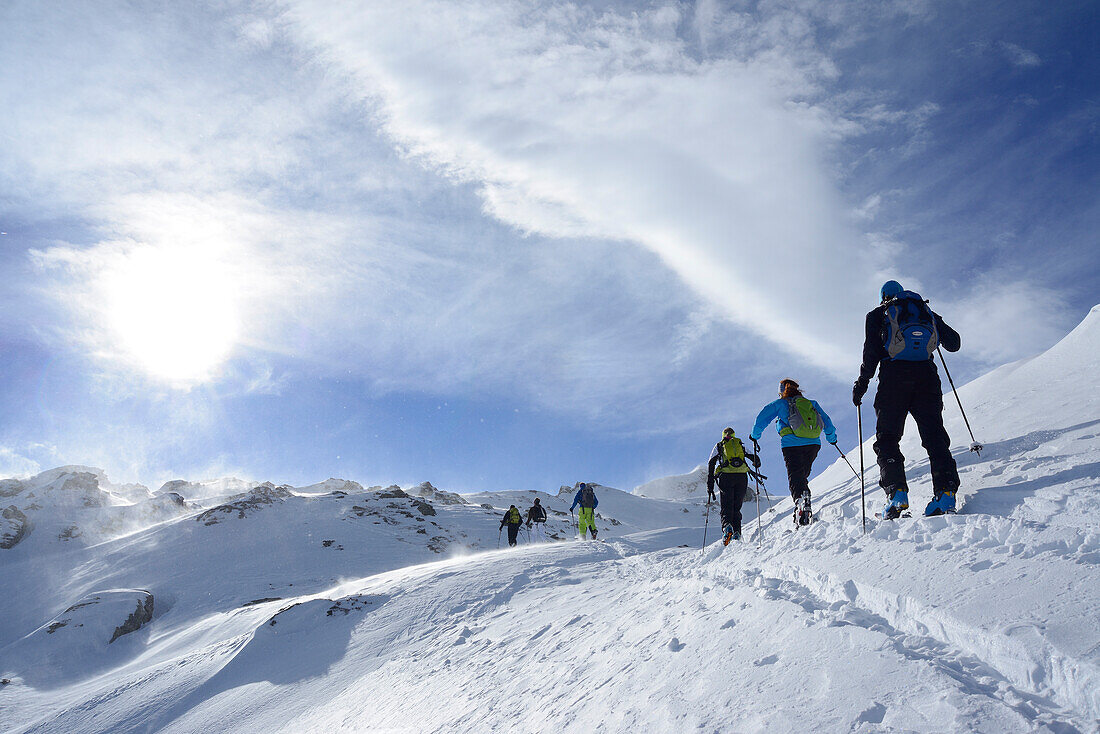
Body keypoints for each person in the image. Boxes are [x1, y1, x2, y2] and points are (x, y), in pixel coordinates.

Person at [853, 280, 962, 519]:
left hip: (894, 379)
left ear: (883, 296)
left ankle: (897, 494)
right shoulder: (925, 310)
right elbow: (954, 344)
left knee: (888, 438)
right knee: (935, 436)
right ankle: (945, 495)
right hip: (927, 377)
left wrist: (861, 384)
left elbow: (871, 351)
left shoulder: (877, 314)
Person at [749, 379, 837, 526]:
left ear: (781, 391)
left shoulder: (781, 404)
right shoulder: (811, 403)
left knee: (795, 474)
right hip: (813, 444)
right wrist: (831, 437)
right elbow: (826, 420)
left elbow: (762, 418)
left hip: (791, 444)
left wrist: (755, 436)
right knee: (802, 474)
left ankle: (801, 501)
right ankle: (804, 498)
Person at [706, 427, 760, 544]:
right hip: (742, 477)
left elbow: (711, 462)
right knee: (737, 506)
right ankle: (737, 533)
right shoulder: (740, 444)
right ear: (734, 435)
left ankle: (727, 527)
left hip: (726, 477)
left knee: (726, 505)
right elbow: (755, 458)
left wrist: (710, 481)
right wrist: (756, 463)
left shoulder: (720, 445)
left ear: (723, 435)